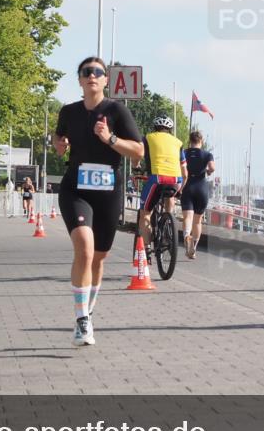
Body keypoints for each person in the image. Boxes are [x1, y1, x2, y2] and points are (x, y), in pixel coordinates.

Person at [55, 57, 143, 347]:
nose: (92, 75)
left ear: (106, 79)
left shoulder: (116, 111)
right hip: (76, 189)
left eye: (97, 72)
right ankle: (82, 320)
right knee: (84, 248)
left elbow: (138, 151)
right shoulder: (69, 112)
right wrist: (59, 145)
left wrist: (110, 139)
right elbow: (58, 140)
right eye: (86, 72)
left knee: (99, 257)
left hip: (108, 192)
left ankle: (88, 312)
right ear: (80, 79)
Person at [138, 116, 187, 255]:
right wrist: (181, 190)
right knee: (169, 198)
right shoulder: (178, 143)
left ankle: (147, 248)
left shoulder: (148, 138)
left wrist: (136, 167)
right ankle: (167, 224)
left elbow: (137, 154)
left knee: (145, 214)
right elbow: (185, 173)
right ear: (170, 130)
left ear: (155, 128)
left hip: (157, 179)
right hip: (176, 180)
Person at [180, 129, 215, 259]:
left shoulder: (184, 153)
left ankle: (186, 236)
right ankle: (193, 248)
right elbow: (212, 168)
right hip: (201, 187)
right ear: (201, 141)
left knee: (187, 217)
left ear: (190, 141)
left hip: (187, 186)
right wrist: (208, 171)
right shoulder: (207, 154)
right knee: (198, 220)